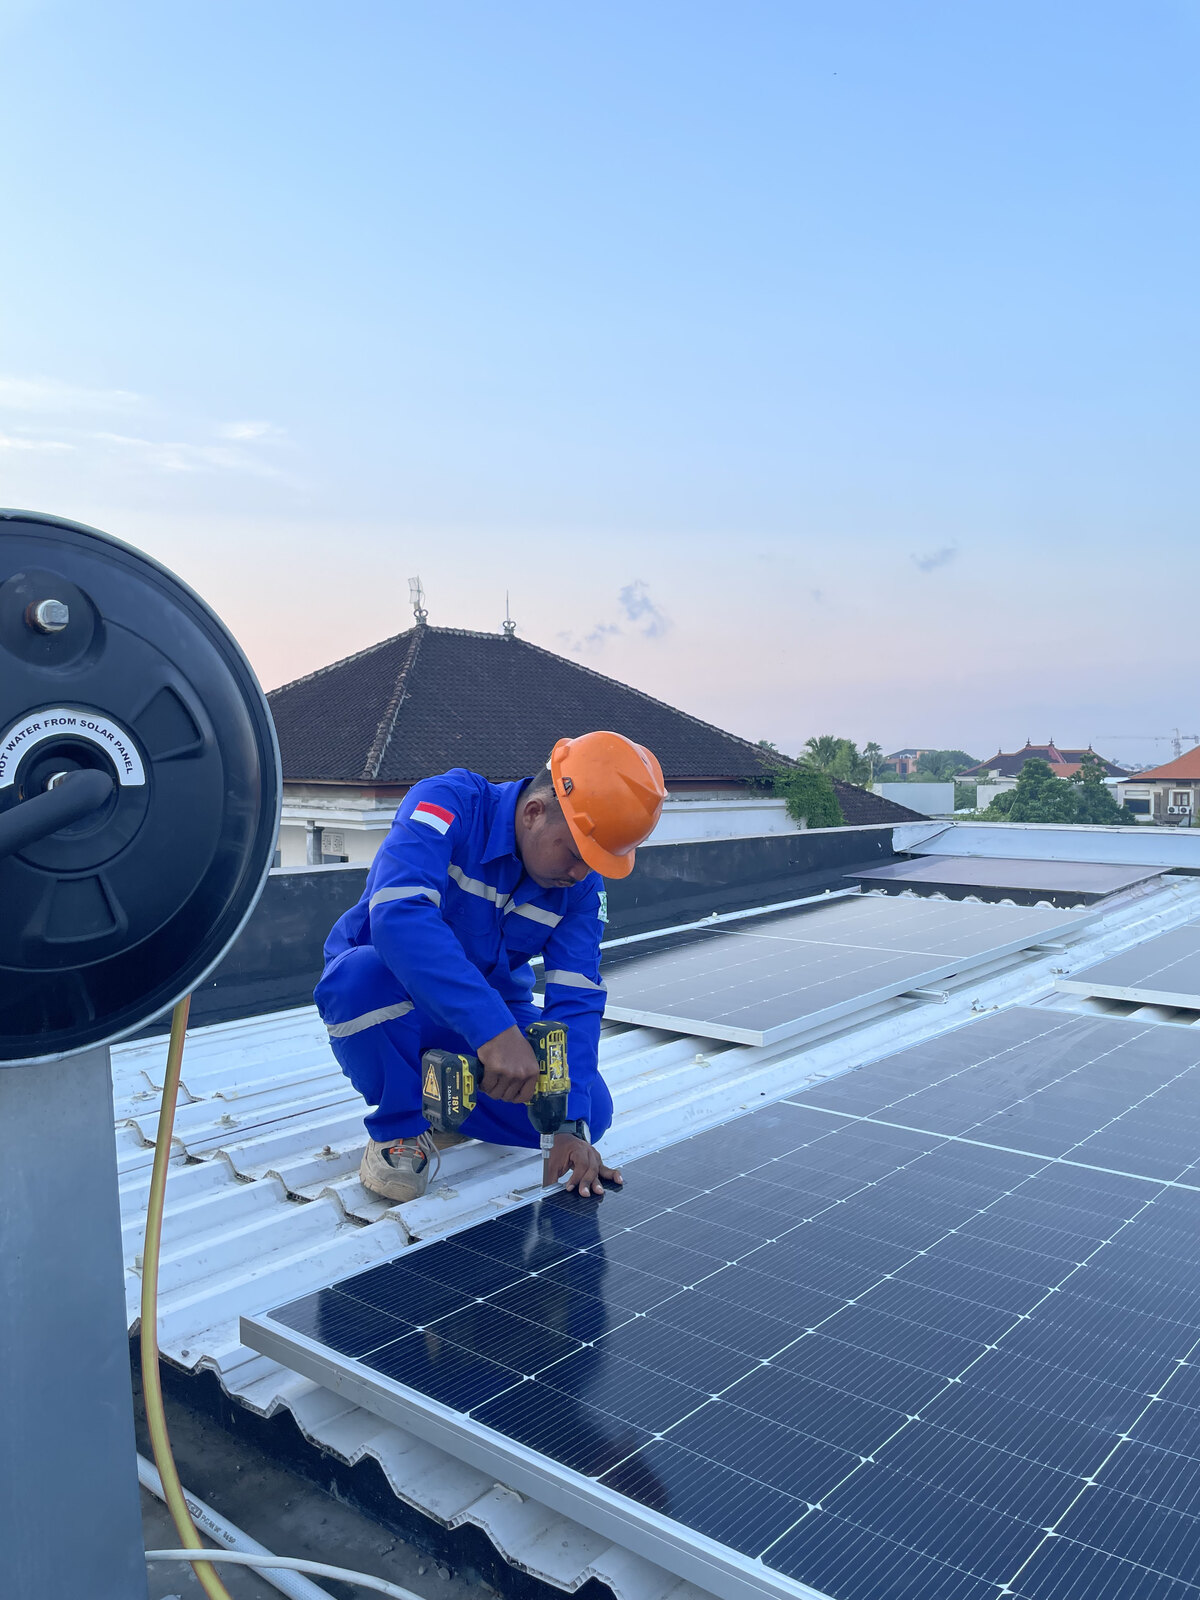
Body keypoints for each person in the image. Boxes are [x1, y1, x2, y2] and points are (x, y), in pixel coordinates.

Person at [315, 731, 666, 1204]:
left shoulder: (580, 888)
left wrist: (568, 1125)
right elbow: (399, 917)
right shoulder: (447, 803)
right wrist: (495, 1033)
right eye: (577, 853)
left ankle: (444, 1101)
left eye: (595, 861)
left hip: (488, 1021)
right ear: (534, 812)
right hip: (396, 1004)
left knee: (591, 1111)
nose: (582, 873)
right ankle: (400, 1127)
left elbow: (577, 994)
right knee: (359, 979)